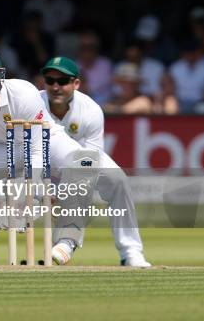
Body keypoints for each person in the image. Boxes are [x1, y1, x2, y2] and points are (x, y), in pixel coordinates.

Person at [0, 49, 150, 267]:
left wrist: (32, 198)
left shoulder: (23, 93)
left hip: (47, 139)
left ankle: (127, 251)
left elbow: (36, 150)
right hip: (2, 146)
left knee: (110, 175)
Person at [39, 56, 150, 266]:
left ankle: (131, 252)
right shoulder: (33, 105)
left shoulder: (90, 110)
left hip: (83, 162)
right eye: (50, 80)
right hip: (42, 165)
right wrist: (46, 186)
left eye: (62, 81)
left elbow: (89, 162)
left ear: (76, 84)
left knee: (118, 180)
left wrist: (62, 190)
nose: (55, 86)